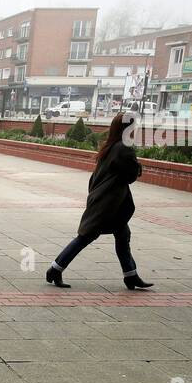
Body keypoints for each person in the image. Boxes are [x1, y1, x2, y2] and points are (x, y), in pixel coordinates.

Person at [46, 112, 154, 290]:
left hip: (108, 201)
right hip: (108, 203)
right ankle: (55, 269)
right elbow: (130, 175)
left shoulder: (110, 146)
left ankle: (131, 275)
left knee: (122, 236)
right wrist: (138, 166)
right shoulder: (124, 148)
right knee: (85, 237)